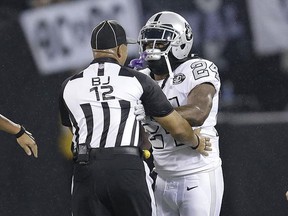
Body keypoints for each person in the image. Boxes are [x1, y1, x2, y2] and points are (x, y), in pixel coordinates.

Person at [58, 20, 211, 216]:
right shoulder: (138, 80)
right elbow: (177, 127)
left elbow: (75, 128)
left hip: (85, 170)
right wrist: (195, 141)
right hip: (127, 167)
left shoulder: (68, 85)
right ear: (121, 50)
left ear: (94, 51)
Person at [132, 11, 224, 216]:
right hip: (161, 177)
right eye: (148, 43)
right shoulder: (141, 78)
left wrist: (150, 111)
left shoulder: (198, 68)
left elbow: (198, 112)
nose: (151, 49)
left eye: (159, 44)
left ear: (181, 43)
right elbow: (144, 142)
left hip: (197, 175)